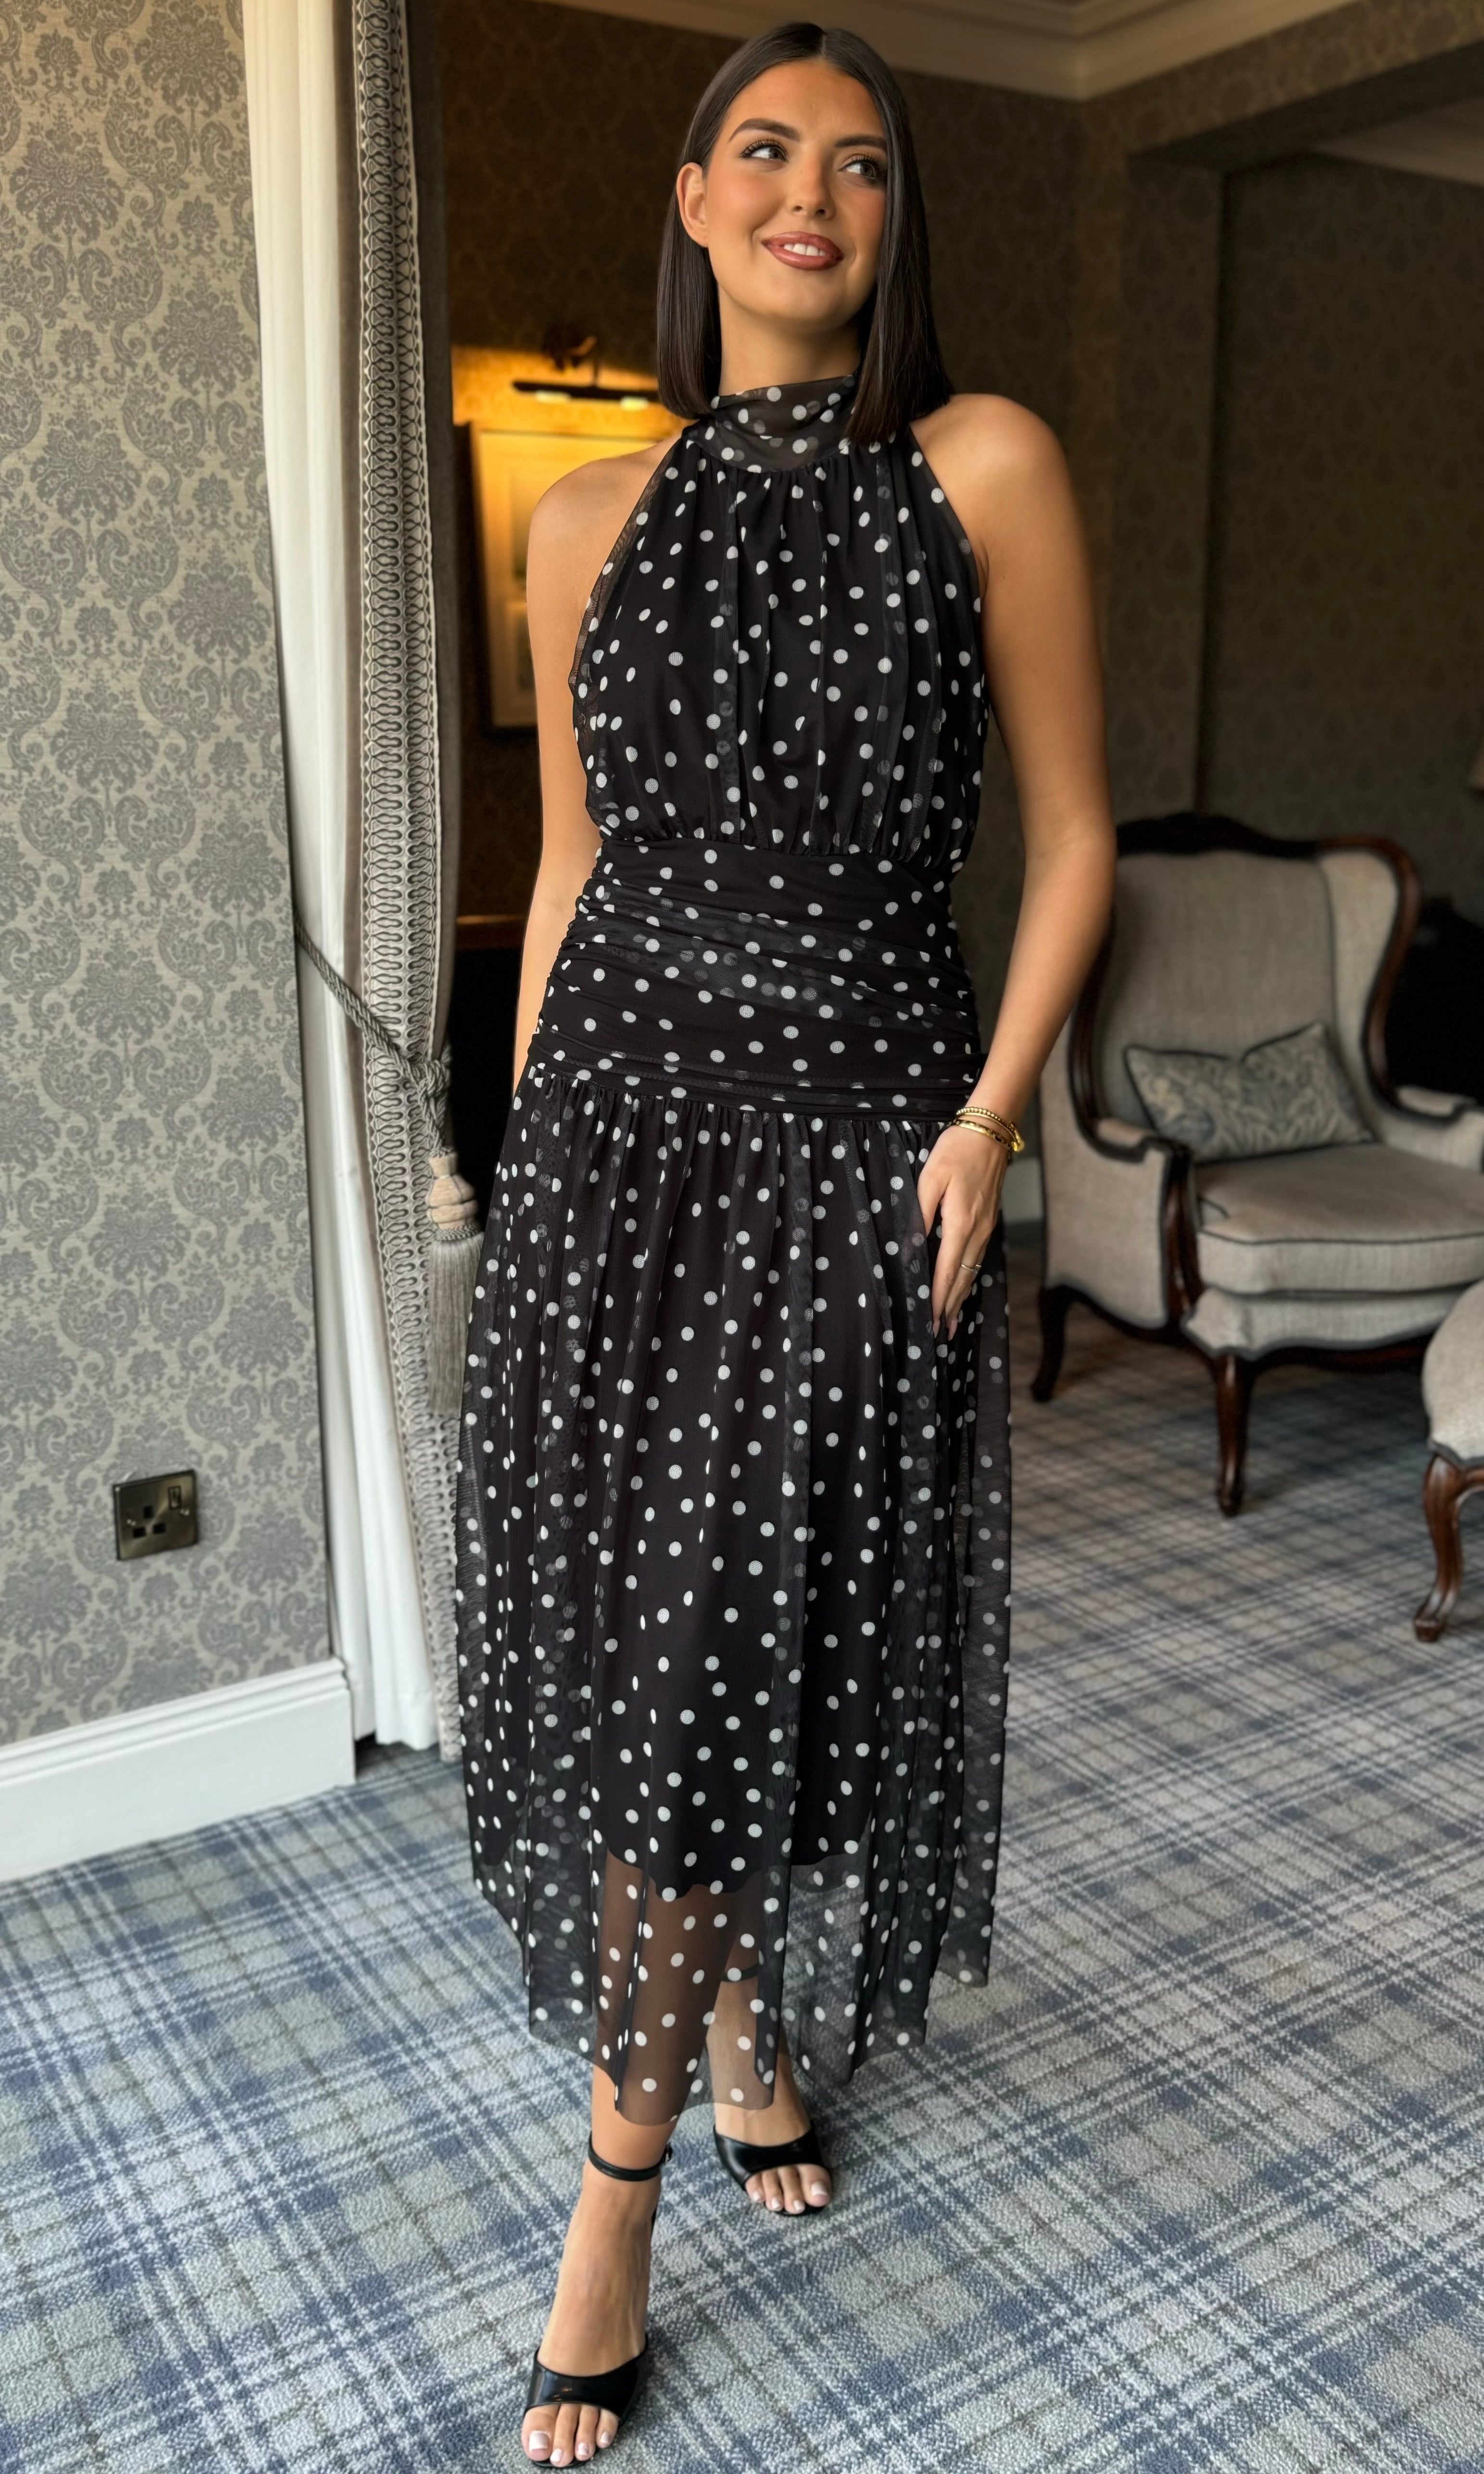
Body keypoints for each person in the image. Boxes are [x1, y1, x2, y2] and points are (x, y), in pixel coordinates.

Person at [453, 21, 1115, 2463]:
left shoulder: (982, 465)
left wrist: (991, 1116)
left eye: (856, 159)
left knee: (746, 1620)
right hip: (615, 1149)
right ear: (694, 196)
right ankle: (734, 2032)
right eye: (762, 149)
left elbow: (1072, 840)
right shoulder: (581, 521)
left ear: (890, 215)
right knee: (656, 1633)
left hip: (855, 1146)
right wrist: (522, 1166)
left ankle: (606, 2201)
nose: (807, 191)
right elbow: (572, 875)